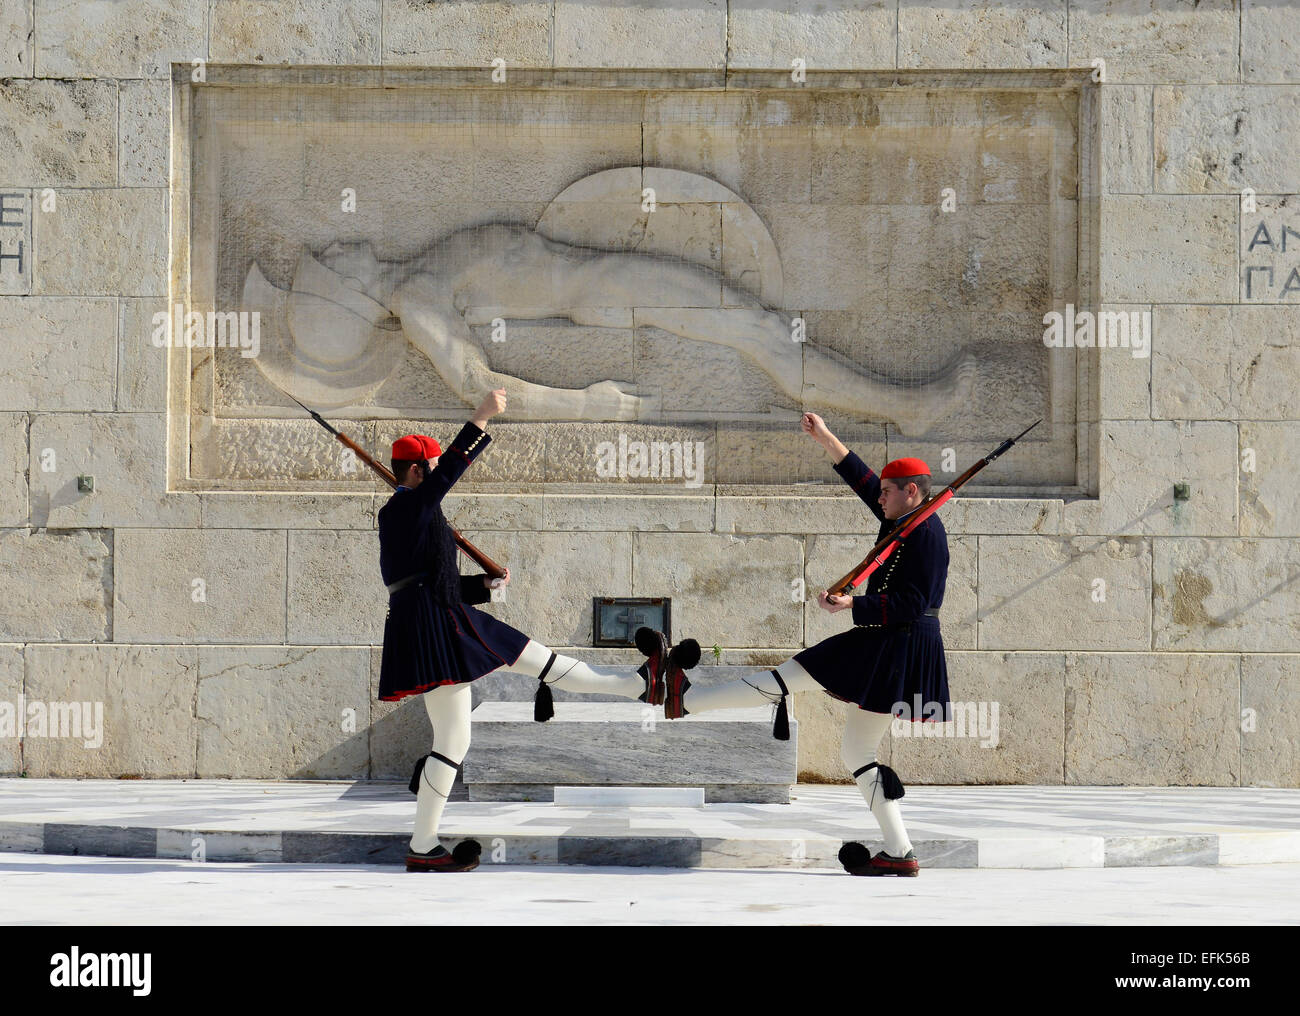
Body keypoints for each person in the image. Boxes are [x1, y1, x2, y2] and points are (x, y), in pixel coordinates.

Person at [378, 387, 673, 872]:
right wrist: (482, 416)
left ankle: (424, 844)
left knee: (455, 738)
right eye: (429, 468)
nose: (436, 474)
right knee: (528, 671)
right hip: (438, 627)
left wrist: (484, 586)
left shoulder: (409, 511)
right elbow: (452, 467)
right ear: (416, 471)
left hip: (439, 618)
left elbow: (427, 578)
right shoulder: (407, 506)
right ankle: (638, 684)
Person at [648, 411, 952, 877]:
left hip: (895, 644)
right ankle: (900, 852)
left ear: (912, 492)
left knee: (791, 675)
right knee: (856, 753)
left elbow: (915, 601)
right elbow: (864, 480)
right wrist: (826, 438)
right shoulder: (905, 520)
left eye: (889, 492)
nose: (880, 497)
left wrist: (851, 606)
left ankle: (687, 701)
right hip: (889, 643)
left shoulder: (926, 532)